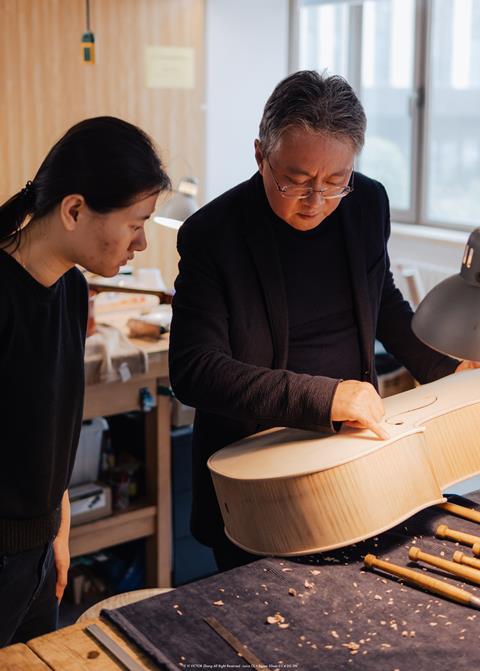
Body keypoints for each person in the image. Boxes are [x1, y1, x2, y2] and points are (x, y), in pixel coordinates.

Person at [169, 70, 478, 572]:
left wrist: (448, 368)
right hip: (260, 480)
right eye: (296, 182)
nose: (316, 202)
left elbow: (383, 305)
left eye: (335, 182)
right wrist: (326, 397)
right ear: (259, 155)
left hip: (354, 459)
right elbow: (194, 369)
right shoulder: (213, 234)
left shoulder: (367, 205)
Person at [0, 116, 170, 646]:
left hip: (38, 553)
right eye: (135, 223)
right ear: (74, 210)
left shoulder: (73, 291)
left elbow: (57, 422)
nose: (141, 243)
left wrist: (59, 526)